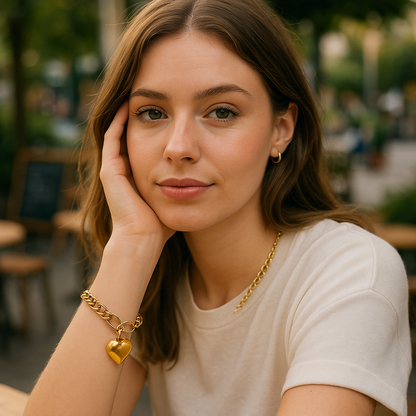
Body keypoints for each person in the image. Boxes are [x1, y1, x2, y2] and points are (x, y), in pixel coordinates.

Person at [25, 0, 411, 415]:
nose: (178, 147)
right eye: (152, 112)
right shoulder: (154, 272)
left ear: (280, 130)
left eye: (222, 112)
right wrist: (131, 248)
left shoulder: (350, 272)